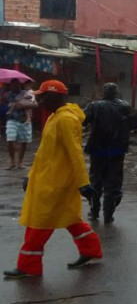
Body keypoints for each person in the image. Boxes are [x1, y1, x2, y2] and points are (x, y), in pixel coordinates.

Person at [3, 79, 102, 279]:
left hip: (55, 184)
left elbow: (75, 154)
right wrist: (30, 176)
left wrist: (83, 183)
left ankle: (28, 265)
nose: (39, 100)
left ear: (55, 97)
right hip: (48, 180)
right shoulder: (54, 117)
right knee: (71, 219)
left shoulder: (65, 119)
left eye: (43, 96)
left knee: (38, 223)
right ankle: (91, 250)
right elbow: (44, 154)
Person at [83, 83, 131, 224]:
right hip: (117, 149)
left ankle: (94, 210)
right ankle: (108, 214)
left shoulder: (94, 106)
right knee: (114, 182)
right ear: (116, 92)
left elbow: (82, 120)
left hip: (98, 149)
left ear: (103, 92)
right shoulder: (125, 106)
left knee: (96, 181)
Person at [2, 78, 38, 170]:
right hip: (11, 119)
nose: (14, 86)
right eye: (12, 84)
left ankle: (20, 162)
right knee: (10, 139)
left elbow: (35, 104)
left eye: (16, 84)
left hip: (24, 119)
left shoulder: (26, 93)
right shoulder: (8, 94)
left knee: (24, 141)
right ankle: (12, 162)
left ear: (19, 85)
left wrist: (23, 105)